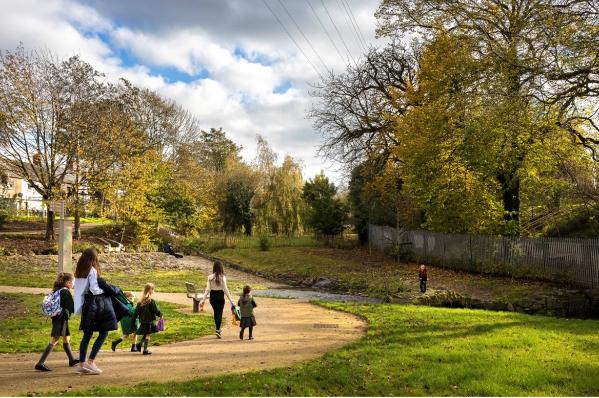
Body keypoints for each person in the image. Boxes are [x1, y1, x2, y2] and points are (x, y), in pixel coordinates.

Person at [74, 247, 118, 375]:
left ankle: (82, 363)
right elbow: (94, 289)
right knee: (104, 332)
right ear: (94, 258)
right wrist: (105, 290)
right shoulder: (92, 270)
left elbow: (79, 289)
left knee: (87, 335)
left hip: (86, 305)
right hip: (96, 304)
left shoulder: (79, 271)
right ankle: (91, 361)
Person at [35, 272, 79, 371]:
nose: (73, 284)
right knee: (54, 339)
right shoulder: (65, 292)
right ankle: (40, 363)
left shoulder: (57, 290)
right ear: (68, 282)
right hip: (60, 318)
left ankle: (72, 360)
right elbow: (72, 307)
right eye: (73, 282)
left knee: (66, 337)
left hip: (59, 317)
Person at [199, 261, 235, 338]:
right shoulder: (223, 277)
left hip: (213, 297)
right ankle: (218, 330)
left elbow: (207, 289)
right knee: (219, 314)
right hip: (220, 297)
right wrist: (231, 301)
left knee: (216, 313)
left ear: (214, 267)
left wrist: (203, 300)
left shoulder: (210, 277)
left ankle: (217, 329)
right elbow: (226, 290)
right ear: (221, 268)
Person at [134, 283, 162, 355]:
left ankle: (139, 345)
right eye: (153, 289)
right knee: (148, 335)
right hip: (149, 321)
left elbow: (136, 312)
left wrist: (133, 320)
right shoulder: (151, 301)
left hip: (143, 321)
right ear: (150, 290)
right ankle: (145, 350)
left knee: (146, 333)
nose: (153, 291)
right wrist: (161, 315)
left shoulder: (140, 301)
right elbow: (156, 311)